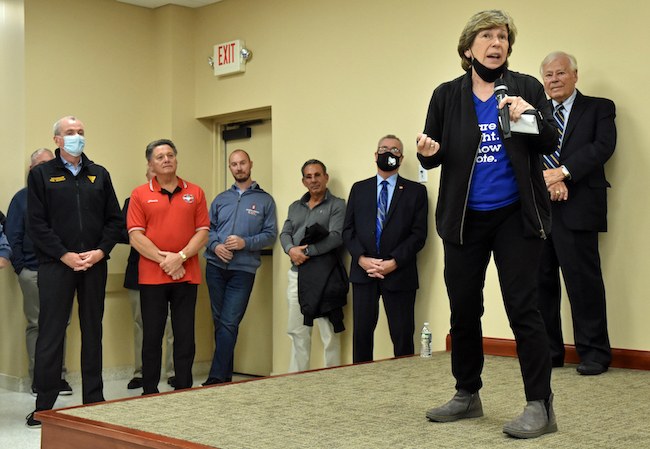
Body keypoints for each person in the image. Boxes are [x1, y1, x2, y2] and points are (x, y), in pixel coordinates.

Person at [416, 10, 559, 439]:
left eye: (503, 37)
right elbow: (433, 153)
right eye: (487, 36)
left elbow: (549, 141)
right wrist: (426, 152)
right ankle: (467, 394)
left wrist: (528, 115)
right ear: (468, 48)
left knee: (523, 308)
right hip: (464, 220)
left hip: (516, 216)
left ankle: (540, 405)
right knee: (464, 309)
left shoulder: (525, 88)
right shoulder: (446, 95)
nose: (497, 43)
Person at [26, 116, 123, 427]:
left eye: (80, 132)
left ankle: (94, 401)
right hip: (56, 265)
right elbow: (36, 224)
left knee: (93, 331)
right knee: (51, 335)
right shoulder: (41, 175)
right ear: (57, 139)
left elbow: (115, 220)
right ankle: (44, 407)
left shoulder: (99, 174)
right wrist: (64, 254)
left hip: (94, 264)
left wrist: (100, 251)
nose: (76, 136)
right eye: (70, 132)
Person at [538, 51, 616, 376]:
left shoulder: (599, 108)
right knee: (540, 284)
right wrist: (549, 179)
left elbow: (602, 147)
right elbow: (524, 152)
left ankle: (594, 354)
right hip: (539, 210)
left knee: (583, 283)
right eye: (548, 75)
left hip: (579, 207)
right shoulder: (534, 113)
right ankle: (549, 353)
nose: (554, 80)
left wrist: (563, 172)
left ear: (575, 75)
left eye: (560, 73)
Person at [127, 139, 209, 395]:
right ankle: (150, 390)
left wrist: (181, 257)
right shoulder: (139, 194)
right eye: (160, 156)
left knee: (185, 335)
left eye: (170, 155)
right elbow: (136, 236)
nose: (166, 160)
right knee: (152, 336)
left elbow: (203, 232)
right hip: (152, 277)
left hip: (187, 276)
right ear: (150, 163)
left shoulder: (195, 192)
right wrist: (169, 262)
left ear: (176, 159)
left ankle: (183, 387)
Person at [342, 134, 428, 363]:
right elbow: (348, 230)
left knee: (402, 336)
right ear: (375, 154)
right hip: (364, 273)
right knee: (361, 335)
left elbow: (419, 235)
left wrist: (394, 262)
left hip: (399, 273)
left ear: (402, 158)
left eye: (395, 150)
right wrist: (361, 259)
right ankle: (362, 379)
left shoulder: (415, 192)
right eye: (384, 149)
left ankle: (404, 379)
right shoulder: (359, 189)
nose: (388, 153)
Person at [203, 149, 277, 385]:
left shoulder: (265, 200)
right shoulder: (221, 199)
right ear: (230, 168)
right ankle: (224, 377)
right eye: (234, 164)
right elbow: (207, 229)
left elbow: (270, 234)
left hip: (243, 271)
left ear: (250, 164)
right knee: (219, 321)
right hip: (215, 267)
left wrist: (245, 243)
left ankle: (216, 377)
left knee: (229, 321)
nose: (238, 167)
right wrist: (215, 246)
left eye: (242, 163)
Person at [6, 148, 73, 396]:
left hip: (63, 271)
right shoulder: (21, 198)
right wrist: (21, 268)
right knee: (37, 324)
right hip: (33, 271)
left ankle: (59, 376)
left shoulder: (63, 195)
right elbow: (13, 235)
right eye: (41, 164)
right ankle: (40, 378)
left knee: (60, 324)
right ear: (31, 169)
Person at [280, 159, 347, 372]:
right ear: (303, 181)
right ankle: (298, 379)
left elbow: (336, 237)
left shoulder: (337, 205)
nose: (313, 180)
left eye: (317, 175)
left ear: (326, 177)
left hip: (325, 275)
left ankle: (332, 380)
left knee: (329, 333)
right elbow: (285, 233)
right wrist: (291, 250)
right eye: (308, 177)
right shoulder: (295, 207)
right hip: (297, 275)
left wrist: (306, 252)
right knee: (297, 331)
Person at [120, 166, 175, 390]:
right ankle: (141, 372)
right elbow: (122, 232)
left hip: (172, 269)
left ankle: (173, 371)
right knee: (141, 324)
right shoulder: (133, 200)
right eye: (152, 174)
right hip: (139, 272)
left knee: (172, 324)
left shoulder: (178, 199)